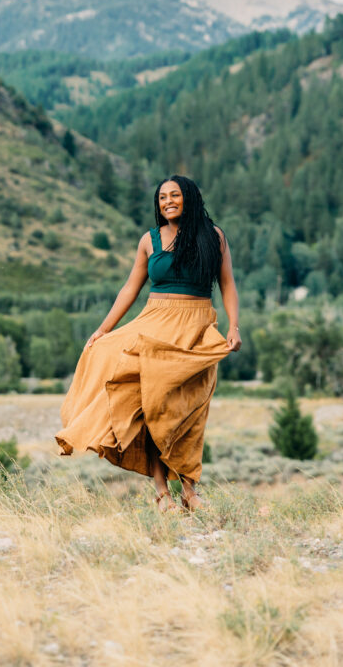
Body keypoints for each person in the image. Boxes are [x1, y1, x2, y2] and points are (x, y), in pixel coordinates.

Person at [55, 175, 241, 511]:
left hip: (196, 329)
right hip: (154, 325)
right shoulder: (149, 240)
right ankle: (161, 493)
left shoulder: (214, 237)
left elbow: (227, 284)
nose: (168, 201)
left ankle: (190, 491)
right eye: (162, 197)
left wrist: (234, 327)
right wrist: (103, 329)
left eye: (175, 195)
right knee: (150, 408)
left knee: (190, 411)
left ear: (189, 198)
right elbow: (130, 288)